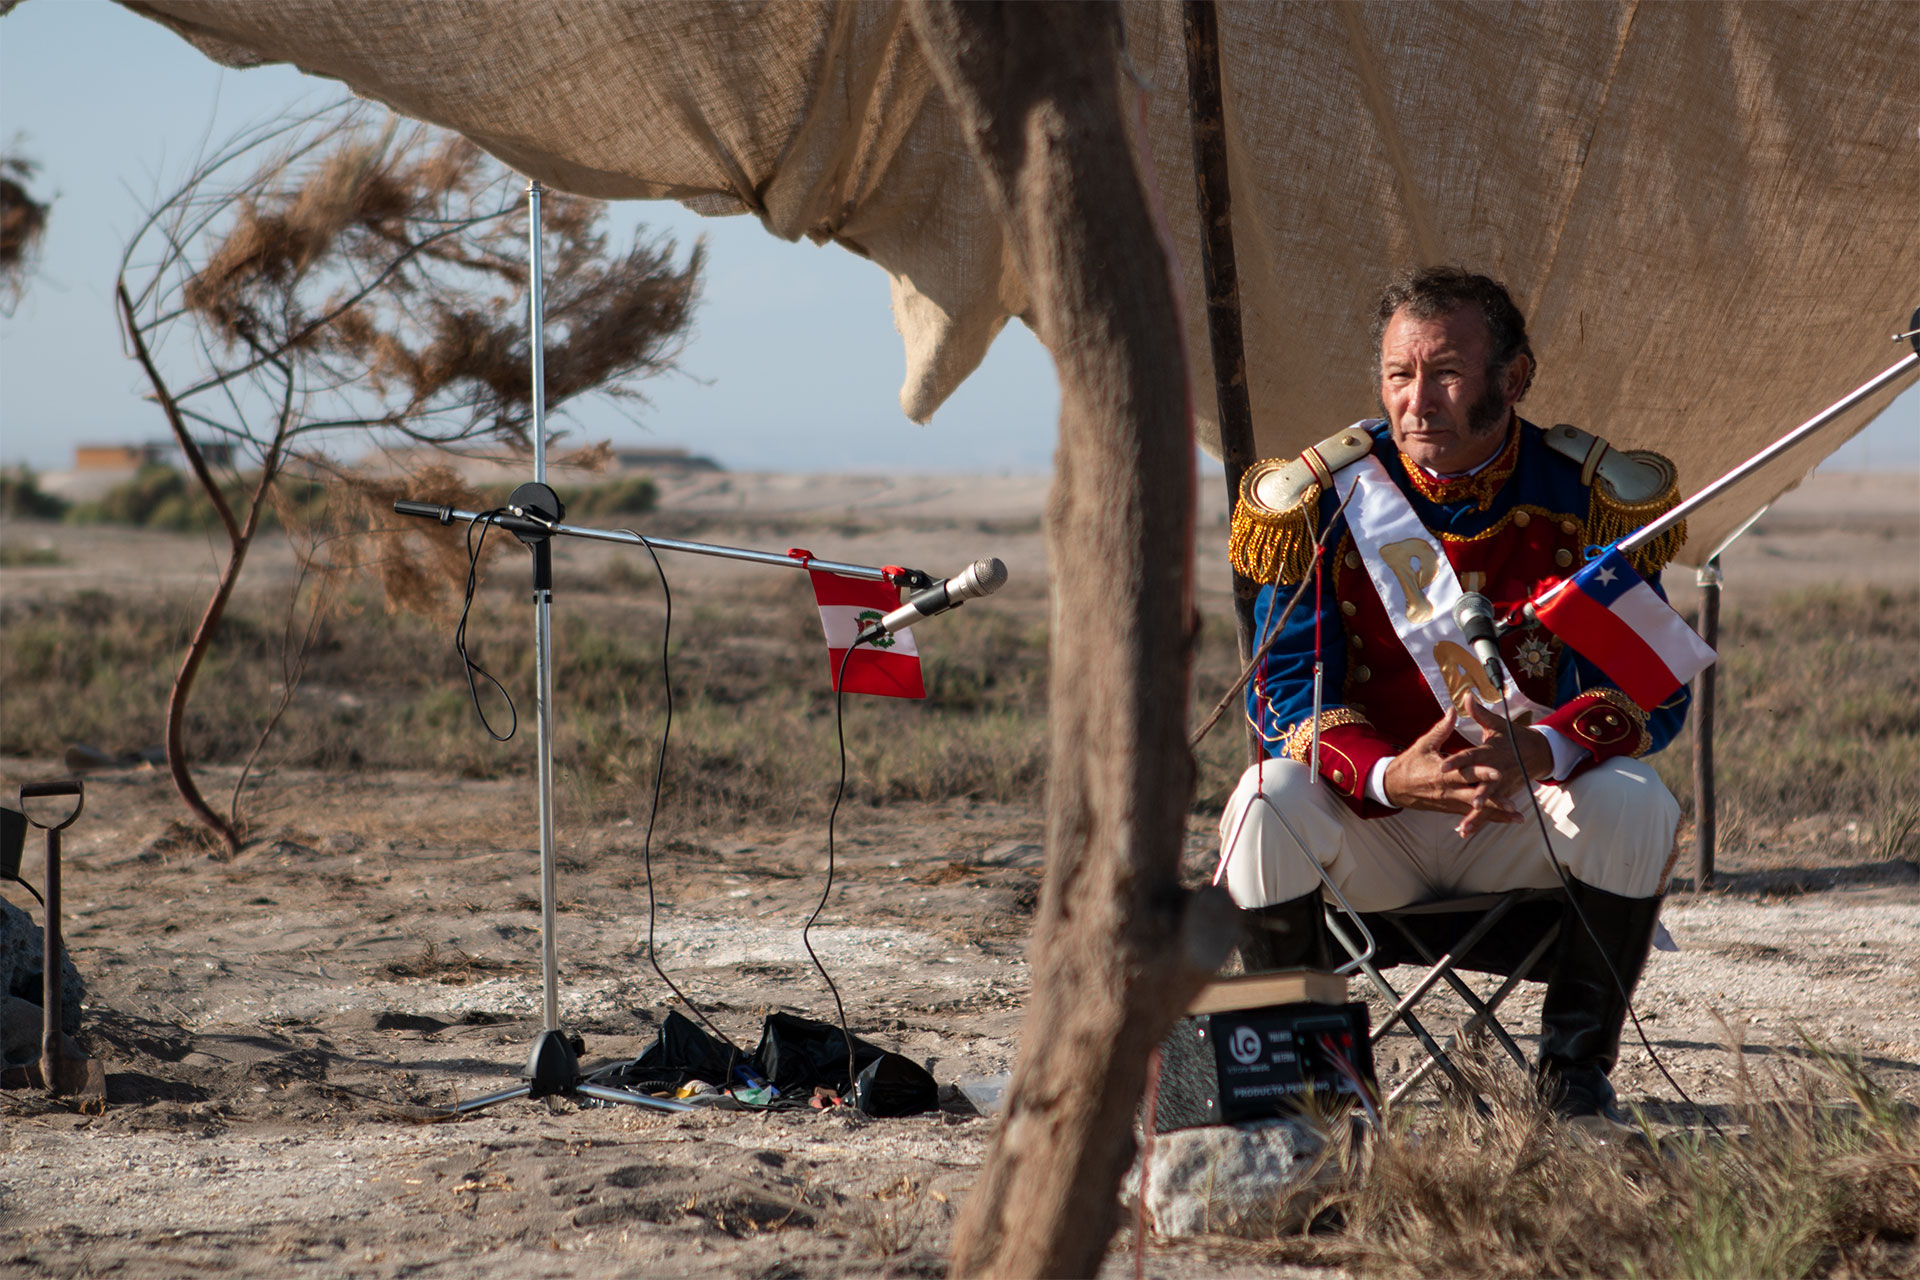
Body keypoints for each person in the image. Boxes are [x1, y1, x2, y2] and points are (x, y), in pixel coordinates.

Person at [1219, 266, 1691, 1122]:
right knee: (1263, 800)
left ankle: (1572, 1080)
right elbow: (1283, 695)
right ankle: (1299, 1094)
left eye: (1445, 373)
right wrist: (1391, 776)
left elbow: (1655, 693)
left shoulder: (1581, 498)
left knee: (1637, 801)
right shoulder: (1326, 501)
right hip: (1374, 826)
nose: (1417, 401)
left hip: (1524, 823)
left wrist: (1542, 751)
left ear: (1512, 380)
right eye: (1400, 376)